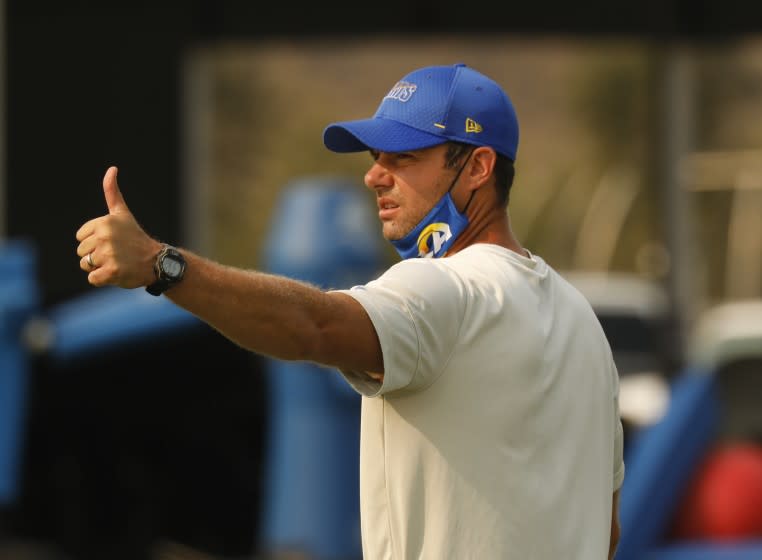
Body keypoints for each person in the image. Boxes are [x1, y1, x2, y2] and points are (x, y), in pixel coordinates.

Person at [76, 63, 624, 559]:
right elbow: (607, 531)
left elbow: (312, 327)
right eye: (375, 157)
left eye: (403, 157)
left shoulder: (447, 289)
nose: (374, 175)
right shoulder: (584, 324)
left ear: (479, 166)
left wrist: (160, 265)